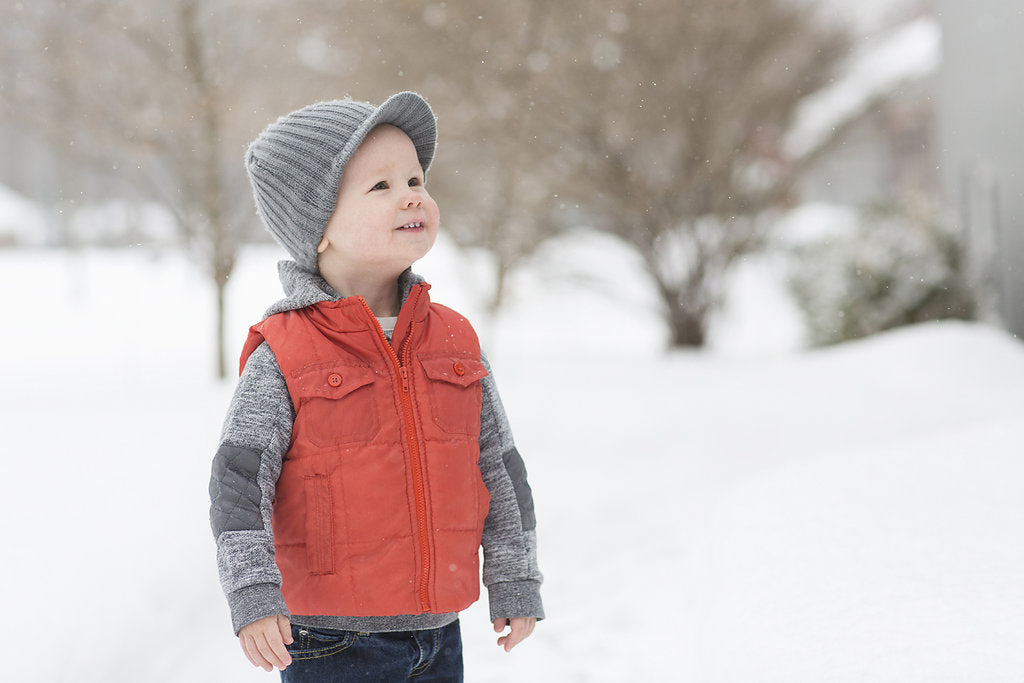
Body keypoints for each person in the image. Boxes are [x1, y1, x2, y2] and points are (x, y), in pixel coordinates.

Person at [208, 91, 544, 681]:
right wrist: (253, 593)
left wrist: (514, 576)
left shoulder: (455, 340)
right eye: (381, 186)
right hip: (329, 642)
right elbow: (239, 483)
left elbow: (498, 468)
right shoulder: (285, 352)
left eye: (415, 177)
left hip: (440, 636)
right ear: (319, 230)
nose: (413, 194)